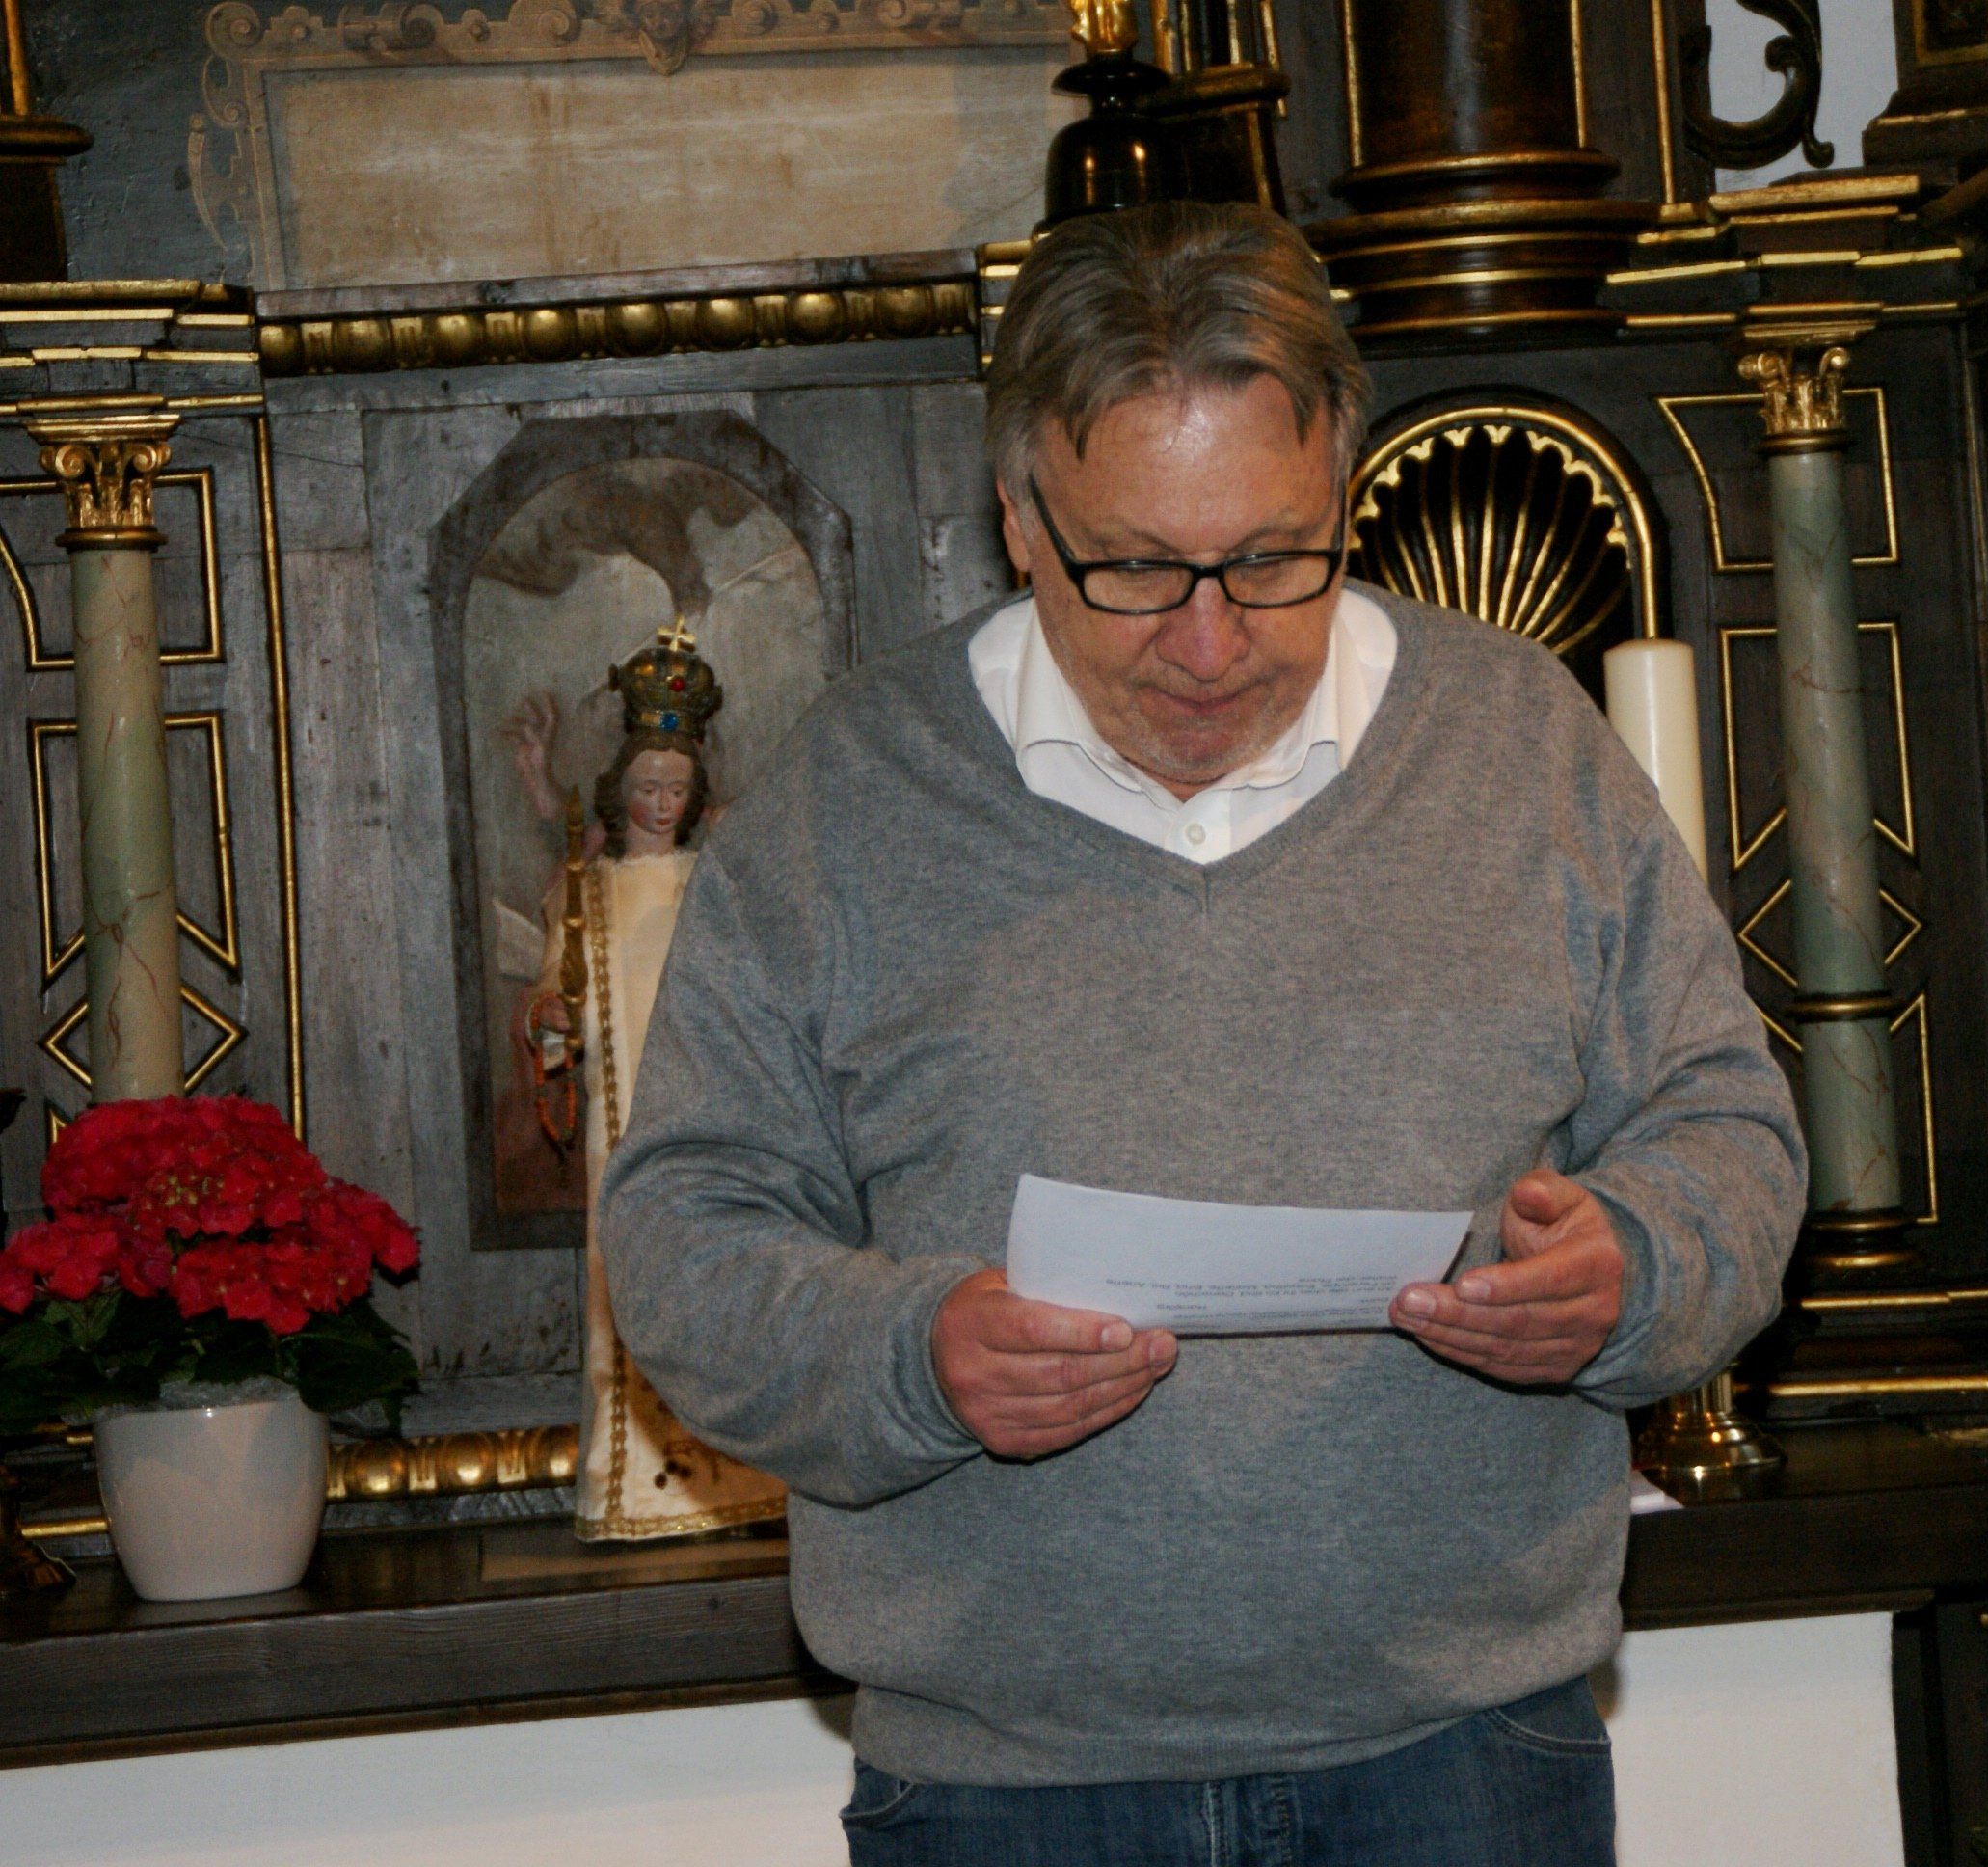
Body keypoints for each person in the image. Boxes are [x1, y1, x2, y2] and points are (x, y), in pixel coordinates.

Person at [600, 201, 1804, 1866]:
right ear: (1019, 519)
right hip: (1005, 1795)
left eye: (1273, 558)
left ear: (1345, 487)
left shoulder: (1519, 744)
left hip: (1466, 1758)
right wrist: (915, 1356)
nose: (1212, 640)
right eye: (1136, 571)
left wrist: (1635, 1269)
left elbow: (1725, 1125)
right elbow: (682, 1242)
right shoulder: (847, 796)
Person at [525, 627, 786, 1542]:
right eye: (649, 788)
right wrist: (551, 1022)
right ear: (622, 791)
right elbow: (559, 988)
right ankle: (635, 1487)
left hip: (717, 1113)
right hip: (625, 1116)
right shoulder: (587, 891)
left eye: (677, 788)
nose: (663, 803)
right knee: (630, 1279)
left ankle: (751, 1475)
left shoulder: (718, 883)